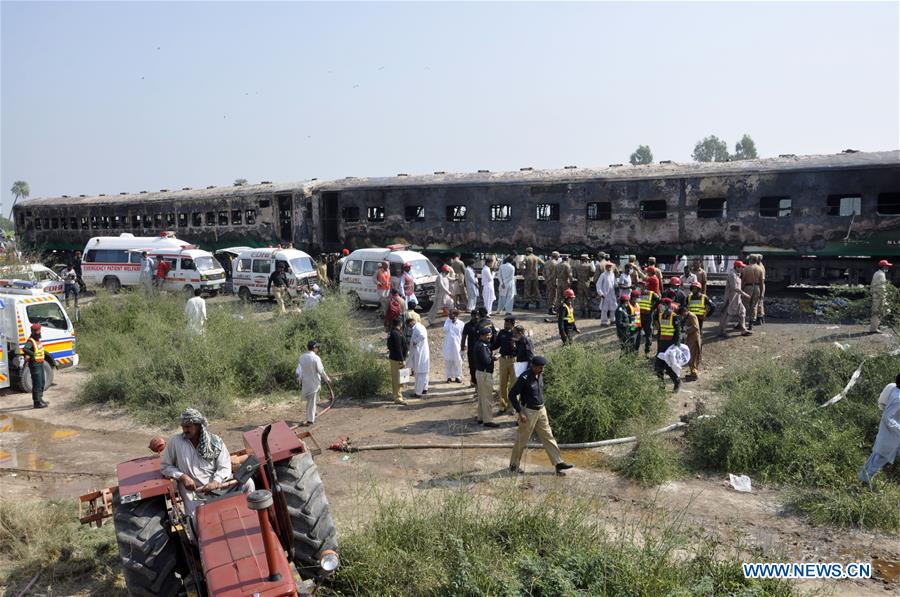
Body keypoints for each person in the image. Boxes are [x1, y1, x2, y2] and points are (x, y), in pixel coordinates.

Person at [160, 408, 252, 517]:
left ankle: (249, 516)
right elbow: (165, 466)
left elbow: (225, 466)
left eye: (188, 426)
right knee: (196, 519)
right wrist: (183, 477)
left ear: (198, 426)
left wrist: (216, 482)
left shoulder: (215, 441)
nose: (185, 430)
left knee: (248, 483)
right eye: (183, 427)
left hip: (218, 486)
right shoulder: (175, 442)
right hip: (195, 492)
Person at [508, 356, 573, 475]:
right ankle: (514, 465)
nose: (542, 370)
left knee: (548, 435)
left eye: (543, 367)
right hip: (528, 412)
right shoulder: (524, 377)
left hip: (541, 410)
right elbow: (512, 395)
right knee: (522, 439)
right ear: (533, 366)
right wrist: (520, 412)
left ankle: (558, 462)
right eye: (540, 367)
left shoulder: (540, 374)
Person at [859, 374, 900, 487]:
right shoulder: (898, 398)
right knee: (880, 458)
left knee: (877, 456)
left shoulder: (894, 389)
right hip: (892, 436)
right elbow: (887, 417)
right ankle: (864, 483)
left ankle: (863, 479)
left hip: (889, 434)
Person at [296, 341, 333, 426]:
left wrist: (300, 380)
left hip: (305, 383)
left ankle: (313, 413)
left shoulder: (302, 357)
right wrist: (327, 379)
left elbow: (298, 371)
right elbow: (321, 371)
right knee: (311, 402)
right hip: (314, 383)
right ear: (314, 348)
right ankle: (310, 420)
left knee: (312, 400)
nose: (318, 349)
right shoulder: (316, 358)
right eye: (317, 347)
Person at [22, 323, 57, 408]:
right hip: (35, 364)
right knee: (37, 383)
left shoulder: (37, 339)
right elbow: (25, 349)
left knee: (42, 381)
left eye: (39, 330)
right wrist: (33, 354)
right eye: (38, 331)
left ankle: (40, 399)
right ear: (34, 332)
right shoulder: (31, 341)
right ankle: (37, 402)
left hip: (40, 363)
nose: (39, 332)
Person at [654, 297, 683, 391]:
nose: (661, 306)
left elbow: (678, 332)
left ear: (668, 306)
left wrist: (677, 345)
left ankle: (677, 382)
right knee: (658, 366)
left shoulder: (675, 317)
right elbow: (660, 328)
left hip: (670, 345)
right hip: (662, 344)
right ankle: (661, 386)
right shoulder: (660, 315)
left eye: (663, 305)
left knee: (668, 367)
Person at [473, 326, 499, 427]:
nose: (489, 337)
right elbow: (486, 360)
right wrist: (494, 358)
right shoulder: (483, 346)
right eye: (487, 336)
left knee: (481, 397)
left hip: (480, 373)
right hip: (484, 374)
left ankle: (481, 418)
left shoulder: (478, 344)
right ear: (482, 335)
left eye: (490, 335)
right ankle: (487, 420)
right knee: (487, 397)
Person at [719, 260, 752, 337]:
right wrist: (745, 294)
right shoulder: (732, 275)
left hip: (737, 298)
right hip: (731, 298)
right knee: (729, 315)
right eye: (742, 267)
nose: (743, 269)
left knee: (742, 312)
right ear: (737, 267)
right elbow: (735, 288)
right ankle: (722, 331)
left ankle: (743, 330)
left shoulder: (737, 274)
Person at [493, 314, 518, 414]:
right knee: (503, 384)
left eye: (507, 323)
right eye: (505, 323)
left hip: (514, 360)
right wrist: (487, 346)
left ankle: (513, 407)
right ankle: (502, 406)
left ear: (512, 324)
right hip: (503, 360)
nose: (505, 325)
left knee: (514, 384)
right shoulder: (502, 333)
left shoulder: (516, 334)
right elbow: (496, 344)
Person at [406, 312, 430, 397]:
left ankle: (418, 392)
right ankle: (424, 389)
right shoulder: (418, 327)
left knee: (419, 373)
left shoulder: (418, 328)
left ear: (412, 321)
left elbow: (422, 336)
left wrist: (415, 342)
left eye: (409, 324)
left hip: (420, 353)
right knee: (423, 372)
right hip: (421, 353)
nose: (409, 326)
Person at [387, 318, 409, 404]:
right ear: (400, 324)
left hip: (397, 358)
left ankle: (398, 395)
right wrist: (402, 359)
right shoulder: (395, 334)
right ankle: (398, 398)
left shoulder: (394, 332)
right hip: (397, 359)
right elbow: (398, 348)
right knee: (397, 379)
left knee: (402, 378)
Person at [636, 278, 660, 355]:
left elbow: (659, 299)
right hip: (638, 316)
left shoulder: (651, 293)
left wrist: (652, 308)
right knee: (637, 332)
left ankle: (647, 350)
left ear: (646, 286)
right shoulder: (637, 294)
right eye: (640, 285)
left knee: (648, 333)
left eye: (642, 285)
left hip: (647, 315)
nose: (640, 287)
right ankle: (635, 350)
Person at [741, 255, 764, 331]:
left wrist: (741, 289)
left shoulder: (746, 268)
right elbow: (761, 282)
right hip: (757, 287)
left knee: (745, 304)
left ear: (750, 260)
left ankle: (743, 321)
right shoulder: (760, 268)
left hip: (748, 287)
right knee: (754, 305)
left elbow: (743, 280)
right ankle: (751, 323)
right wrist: (761, 293)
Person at [442, 309, 465, 383]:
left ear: (455, 315)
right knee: (448, 361)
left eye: (451, 314)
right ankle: (448, 377)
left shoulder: (461, 323)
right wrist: (450, 323)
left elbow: (464, 335)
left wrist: (465, 345)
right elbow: (445, 330)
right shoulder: (447, 322)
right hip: (448, 345)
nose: (449, 315)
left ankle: (458, 376)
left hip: (457, 346)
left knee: (458, 361)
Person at [870, 259, 892, 334]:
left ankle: (876, 326)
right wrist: (884, 296)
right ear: (883, 266)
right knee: (877, 312)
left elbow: (872, 285)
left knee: (878, 312)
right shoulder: (881, 275)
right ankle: (874, 329)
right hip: (879, 296)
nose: (888, 268)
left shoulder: (877, 273)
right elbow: (881, 287)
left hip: (876, 295)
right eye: (887, 266)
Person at [461, 309, 481, 386]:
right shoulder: (467, 325)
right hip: (471, 349)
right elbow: (464, 337)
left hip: (480, 350)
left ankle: (478, 383)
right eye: (474, 315)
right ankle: (473, 381)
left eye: (477, 315)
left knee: (479, 366)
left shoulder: (480, 324)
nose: (476, 317)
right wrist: (462, 349)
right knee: (472, 366)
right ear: (471, 316)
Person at [595, 261, 617, 325]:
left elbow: (614, 283)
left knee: (613, 307)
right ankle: (604, 322)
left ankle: (613, 320)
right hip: (605, 295)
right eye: (608, 266)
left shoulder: (612, 274)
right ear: (606, 267)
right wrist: (601, 293)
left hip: (612, 294)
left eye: (610, 266)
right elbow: (598, 285)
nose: (609, 268)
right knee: (604, 309)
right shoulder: (603, 275)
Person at [683, 305, 701, 380]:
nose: (683, 316)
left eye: (683, 314)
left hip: (694, 339)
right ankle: (693, 372)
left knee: (692, 356)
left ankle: (694, 374)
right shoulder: (688, 316)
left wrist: (686, 331)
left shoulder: (691, 315)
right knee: (692, 356)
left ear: (685, 311)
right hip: (691, 338)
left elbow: (695, 327)